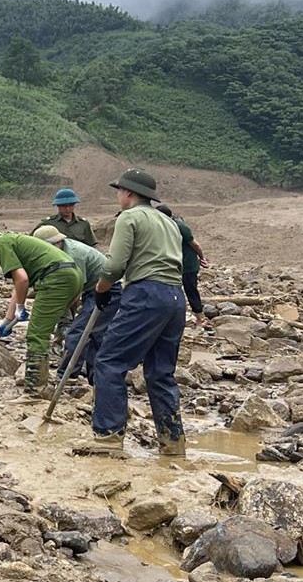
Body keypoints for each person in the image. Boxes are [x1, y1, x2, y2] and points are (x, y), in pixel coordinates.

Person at [77, 169, 187, 458]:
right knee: (161, 373)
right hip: (175, 297)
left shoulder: (129, 217)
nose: (118, 196)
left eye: (119, 191)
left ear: (128, 193)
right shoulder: (169, 221)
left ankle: (108, 437)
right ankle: (173, 442)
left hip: (146, 293)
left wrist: (101, 289)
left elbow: (114, 266)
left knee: (110, 361)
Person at [0, 224, 82, 397]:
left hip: (55, 278)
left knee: (36, 334)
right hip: (72, 276)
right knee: (43, 329)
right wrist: (8, 319)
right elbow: (17, 285)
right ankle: (45, 383)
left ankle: (35, 391)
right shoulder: (12, 241)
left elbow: (22, 280)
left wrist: (21, 308)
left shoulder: (1, 245)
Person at [32, 225, 122, 388]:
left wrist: (63, 310)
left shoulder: (73, 255)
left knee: (78, 332)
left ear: (57, 243)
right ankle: (95, 378)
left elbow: (75, 290)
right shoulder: (59, 252)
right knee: (95, 333)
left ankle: (66, 376)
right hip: (93, 290)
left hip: (107, 290)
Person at [157, 205, 211, 329]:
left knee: (190, 290)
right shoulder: (166, 226)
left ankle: (199, 319)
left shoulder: (180, 226)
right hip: (175, 263)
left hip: (188, 264)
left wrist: (202, 258)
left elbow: (195, 245)